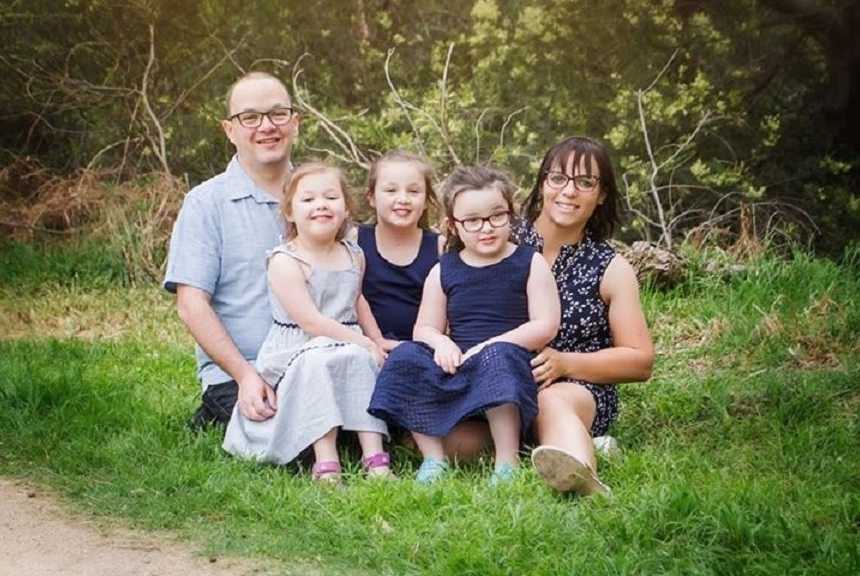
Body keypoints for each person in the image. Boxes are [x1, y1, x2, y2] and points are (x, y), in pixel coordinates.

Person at [368, 166, 560, 484]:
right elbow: (424, 329)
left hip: (510, 369)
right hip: (459, 368)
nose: (486, 228)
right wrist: (443, 343)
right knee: (405, 356)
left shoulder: (528, 262)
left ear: (511, 215)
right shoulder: (444, 269)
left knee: (498, 356)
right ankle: (434, 459)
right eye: (472, 221)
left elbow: (546, 325)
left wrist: (490, 346)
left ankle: (506, 462)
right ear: (453, 226)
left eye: (496, 216)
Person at [222, 162, 391, 481]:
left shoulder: (354, 254)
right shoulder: (286, 261)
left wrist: (375, 339)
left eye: (331, 197)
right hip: (297, 346)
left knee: (358, 359)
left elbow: (357, 299)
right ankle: (326, 461)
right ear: (289, 212)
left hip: (345, 338)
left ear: (345, 207)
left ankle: (375, 458)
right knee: (319, 361)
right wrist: (362, 341)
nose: (321, 205)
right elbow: (311, 322)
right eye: (308, 199)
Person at [515, 136, 655, 496]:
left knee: (551, 400)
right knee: (459, 442)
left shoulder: (611, 268)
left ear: (602, 194)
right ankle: (591, 444)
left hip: (576, 389)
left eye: (585, 182)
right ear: (543, 183)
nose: (568, 191)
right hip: (502, 384)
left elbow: (639, 361)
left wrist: (564, 364)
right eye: (558, 178)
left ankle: (582, 475)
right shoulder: (504, 239)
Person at [163, 71, 299, 428]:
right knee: (300, 446)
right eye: (250, 117)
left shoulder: (323, 198)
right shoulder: (205, 204)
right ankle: (215, 414)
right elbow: (191, 306)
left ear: (295, 123)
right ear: (230, 130)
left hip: (313, 366)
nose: (266, 126)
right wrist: (245, 376)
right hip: (241, 375)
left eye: (277, 114)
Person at [357, 150, 442, 349]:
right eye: (391, 190)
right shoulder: (354, 241)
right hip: (366, 349)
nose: (403, 199)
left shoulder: (440, 247)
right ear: (371, 197)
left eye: (413, 191)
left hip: (424, 352)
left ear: (427, 201)